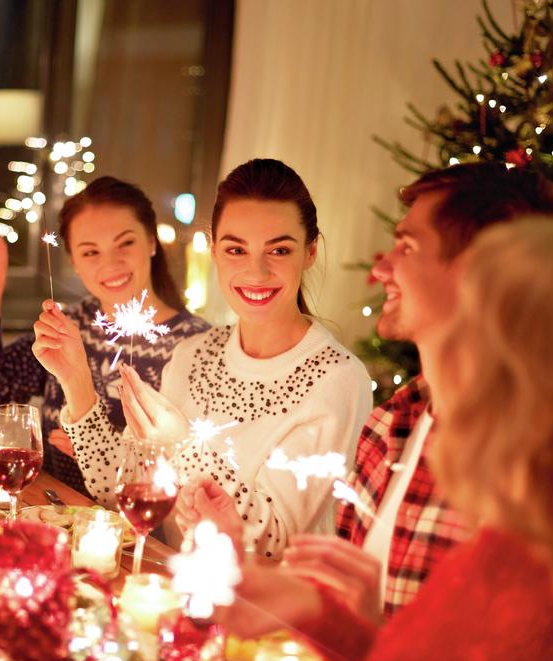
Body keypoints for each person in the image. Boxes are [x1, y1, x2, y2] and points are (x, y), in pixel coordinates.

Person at [224, 221, 553, 661]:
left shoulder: (543, 599)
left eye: (463, 331)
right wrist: (317, 612)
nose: (440, 364)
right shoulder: (522, 541)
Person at [180, 162, 553, 618]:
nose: (382, 266)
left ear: (481, 271)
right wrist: (236, 545)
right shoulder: (391, 427)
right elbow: (360, 626)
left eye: (407, 246)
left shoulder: (545, 463)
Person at [35, 158, 373, 557]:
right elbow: (119, 492)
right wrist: (77, 383)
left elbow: (272, 545)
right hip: (173, 589)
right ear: (214, 249)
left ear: (311, 251)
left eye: (279, 249)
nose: (256, 271)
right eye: (236, 249)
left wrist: (182, 447)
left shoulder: (336, 378)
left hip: (258, 610)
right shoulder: (194, 352)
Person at [0, 176, 209, 495]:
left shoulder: (197, 346)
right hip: (51, 513)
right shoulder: (69, 325)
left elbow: (193, 473)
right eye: (90, 252)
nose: (111, 263)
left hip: (134, 533)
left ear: (151, 242)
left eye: (126, 243)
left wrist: (98, 450)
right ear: (74, 262)